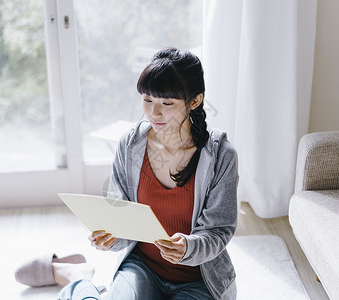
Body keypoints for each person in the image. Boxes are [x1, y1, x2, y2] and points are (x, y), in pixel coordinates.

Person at [58, 48, 239, 300]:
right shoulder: (131, 145)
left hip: (198, 280)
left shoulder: (221, 155)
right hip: (142, 269)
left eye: (167, 103)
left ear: (195, 101)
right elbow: (122, 218)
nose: (154, 113)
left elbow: (219, 230)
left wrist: (188, 247)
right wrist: (111, 238)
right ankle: (80, 282)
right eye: (147, 100)